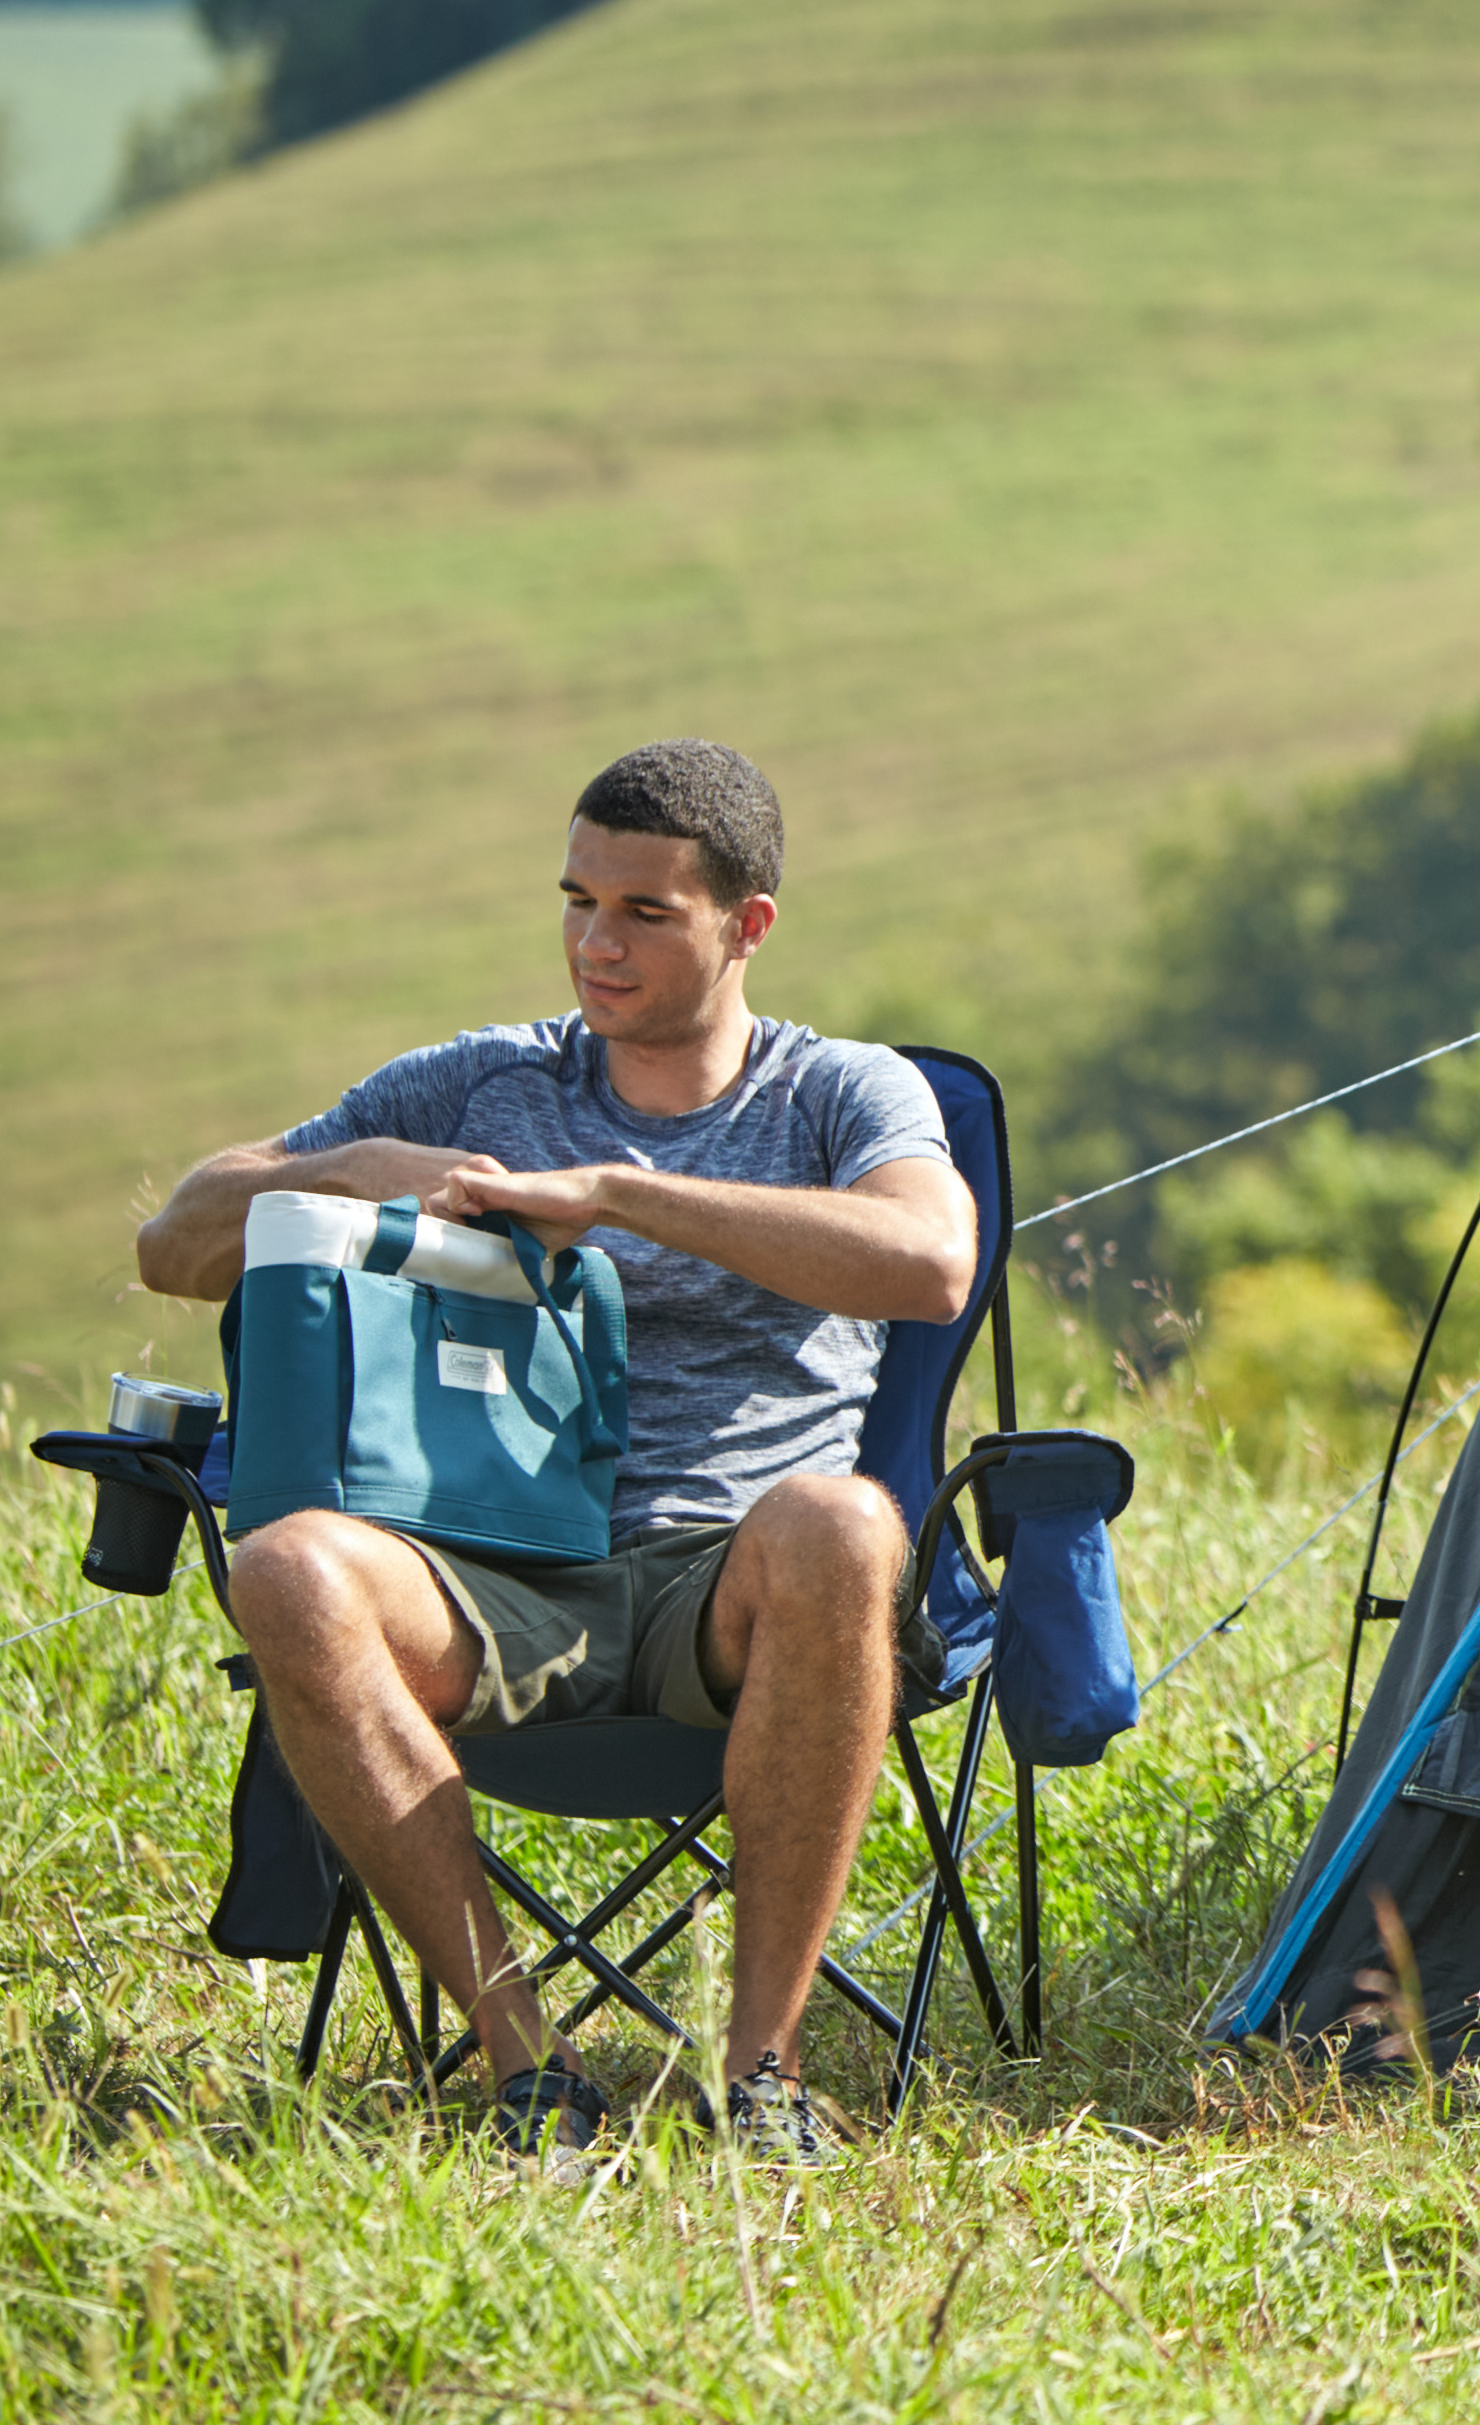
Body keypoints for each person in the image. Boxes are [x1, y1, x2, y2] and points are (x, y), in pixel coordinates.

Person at [133, 742, 977, 2165]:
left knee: (842, 1523)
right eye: (578, 900)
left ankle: (756, 2073)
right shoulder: (481, 1081)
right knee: (286, 1566)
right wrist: (341, 1173)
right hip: (490, 1572)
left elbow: (931, 1260)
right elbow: (179, 1241)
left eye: (647, 912)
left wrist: (622, 1198)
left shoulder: (839, 1093)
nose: (600, 943)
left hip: (729, 1587)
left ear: (746, 922)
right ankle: (528, 2067)